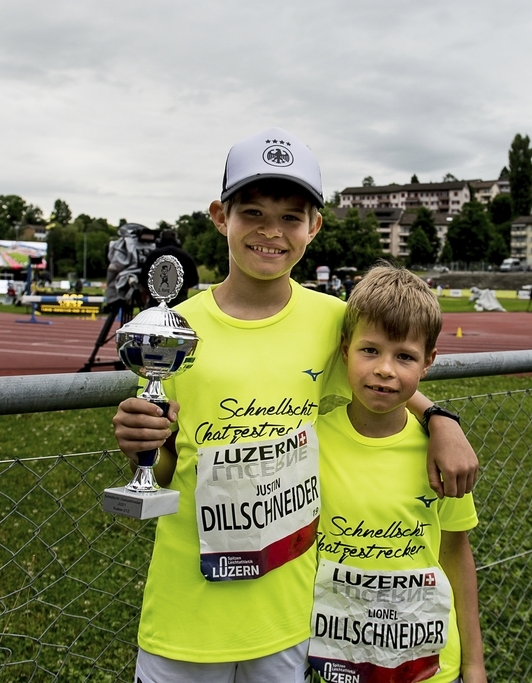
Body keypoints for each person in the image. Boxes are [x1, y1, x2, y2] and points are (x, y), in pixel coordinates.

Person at [111, 127, 478, 683]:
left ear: (314, 227)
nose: (271, 232)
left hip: (287, 617)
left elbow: (382, 375)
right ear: (219, 217)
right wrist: (143, 445)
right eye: (252, 212)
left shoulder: (331, 320)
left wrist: (440, 419)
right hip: (186, 608)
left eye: (290, 217)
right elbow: (164, 466)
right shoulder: (174, 328)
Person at [310, 264, 485, 683]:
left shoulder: (443, 455)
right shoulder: (310, 443)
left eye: (404, 356)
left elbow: (455, 555)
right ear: (344, 349)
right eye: (370, 350)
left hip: (428, 667)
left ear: (428, 362)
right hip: (337, 662)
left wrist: (475, 665)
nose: (385, 369)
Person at [138, 228, 199, 306]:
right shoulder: (185, 256)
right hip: (179, 304)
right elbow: (194, 280)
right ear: (177, 241)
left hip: (156, 304)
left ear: (159, 241)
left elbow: (143, 279)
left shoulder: (153, 255)